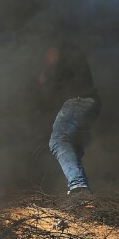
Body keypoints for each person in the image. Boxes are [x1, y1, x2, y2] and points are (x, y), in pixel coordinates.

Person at [40, 41, 101, 195]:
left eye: (48, 55)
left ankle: (78, 186)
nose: (47, 59)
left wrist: (46, 74)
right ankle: (83, 194)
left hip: (79, 101)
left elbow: (54, 71)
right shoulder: (74, 56)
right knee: (74, 147)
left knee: (58, 140)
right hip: (91, 104)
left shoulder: (64, 51)